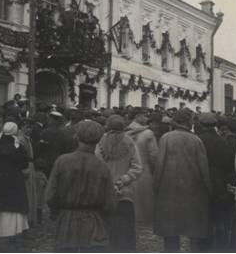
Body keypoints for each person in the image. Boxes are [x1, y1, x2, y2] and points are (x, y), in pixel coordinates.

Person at [45, 120, 115, 252]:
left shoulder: (62, 161)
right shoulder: (103, 167)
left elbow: (50, 196)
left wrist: (56, 214)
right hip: (94, 223)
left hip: (66, 222)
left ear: (77, 137)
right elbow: (110, 203)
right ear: (98, 140)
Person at [153, 109, 211, 252]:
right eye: (192, 120)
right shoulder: (196, 140)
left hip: (169, 192)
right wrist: (209, 190)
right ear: (188, 121)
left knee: (170, 231)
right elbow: (204, 169)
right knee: (194, 231)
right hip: (192, 192)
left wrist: (156, 187)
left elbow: (159, 165)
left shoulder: (166, 138)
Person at [96, 114, 142, 252]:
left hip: (104, 192)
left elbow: (98, 166)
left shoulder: (100, 143)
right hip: (125, 192)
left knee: (106, 227)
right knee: (125, 228)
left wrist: (110, 184)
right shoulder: (130, 142)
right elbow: (137, 167)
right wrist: (123, 181)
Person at [195, 112, 236, 251]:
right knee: (219, 218)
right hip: (219, 185)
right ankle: (220, 247)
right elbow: (230, 165)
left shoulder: (197, 140)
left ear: (200, 124)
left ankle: (203, 247)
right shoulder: (222, 141)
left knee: (202, 217)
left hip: (200, 183)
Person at [0, 122, 30, 251]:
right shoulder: (17, 146)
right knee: (12, 209)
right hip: (13, 182)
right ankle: (11, 237)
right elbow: (24, 164)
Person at [125, 108, 158, 226]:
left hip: (129, 169)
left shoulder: (126, 131)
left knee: (132, 195)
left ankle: (131, 217)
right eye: (144, 116)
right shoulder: (148, 133)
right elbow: (154, 155)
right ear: (138, 116)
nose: (146, 118)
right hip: (144, 168)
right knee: (145, 196)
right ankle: (144, 219)